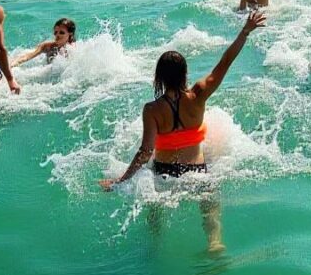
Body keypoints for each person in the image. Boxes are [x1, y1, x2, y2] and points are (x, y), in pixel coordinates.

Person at [99, 10, 265, 188]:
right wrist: (244, 32)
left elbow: (146, 151)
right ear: (184, 73)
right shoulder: (198, 95)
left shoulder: (152, 109)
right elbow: (225, 62)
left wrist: (121, 180)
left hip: (163, 173)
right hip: (197, 172)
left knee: (157, 206)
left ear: (159, 77)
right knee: (210, 205)